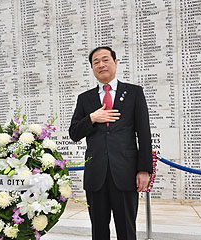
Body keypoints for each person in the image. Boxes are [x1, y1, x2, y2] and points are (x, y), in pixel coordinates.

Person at [69, 46, 153, 240]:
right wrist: (92, 118)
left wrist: (144, 170)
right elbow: (74, 133)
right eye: (96, 62)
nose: (101, 65)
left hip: (125, 173)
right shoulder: (85, 99)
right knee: (98, 231)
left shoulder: (134, 93)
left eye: (105, 60)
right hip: (96, 175)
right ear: (92, 68)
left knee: (126, 230)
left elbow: (144, 133)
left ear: (115, 63)